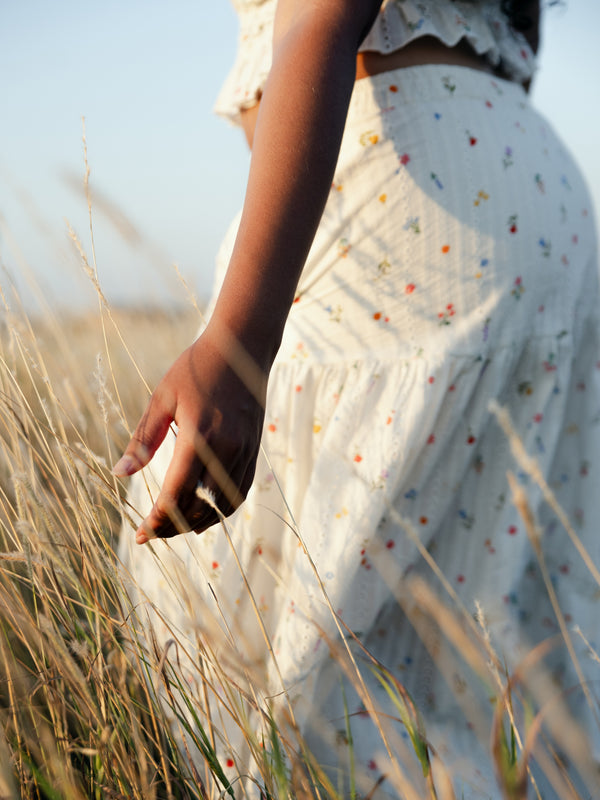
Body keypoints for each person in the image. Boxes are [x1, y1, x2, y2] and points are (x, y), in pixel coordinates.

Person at [116, 1, 600, 796]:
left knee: (256, 627)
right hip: (533, 198)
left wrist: (241, 341)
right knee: (479, 635)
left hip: (397, 205)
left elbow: (317, 19)